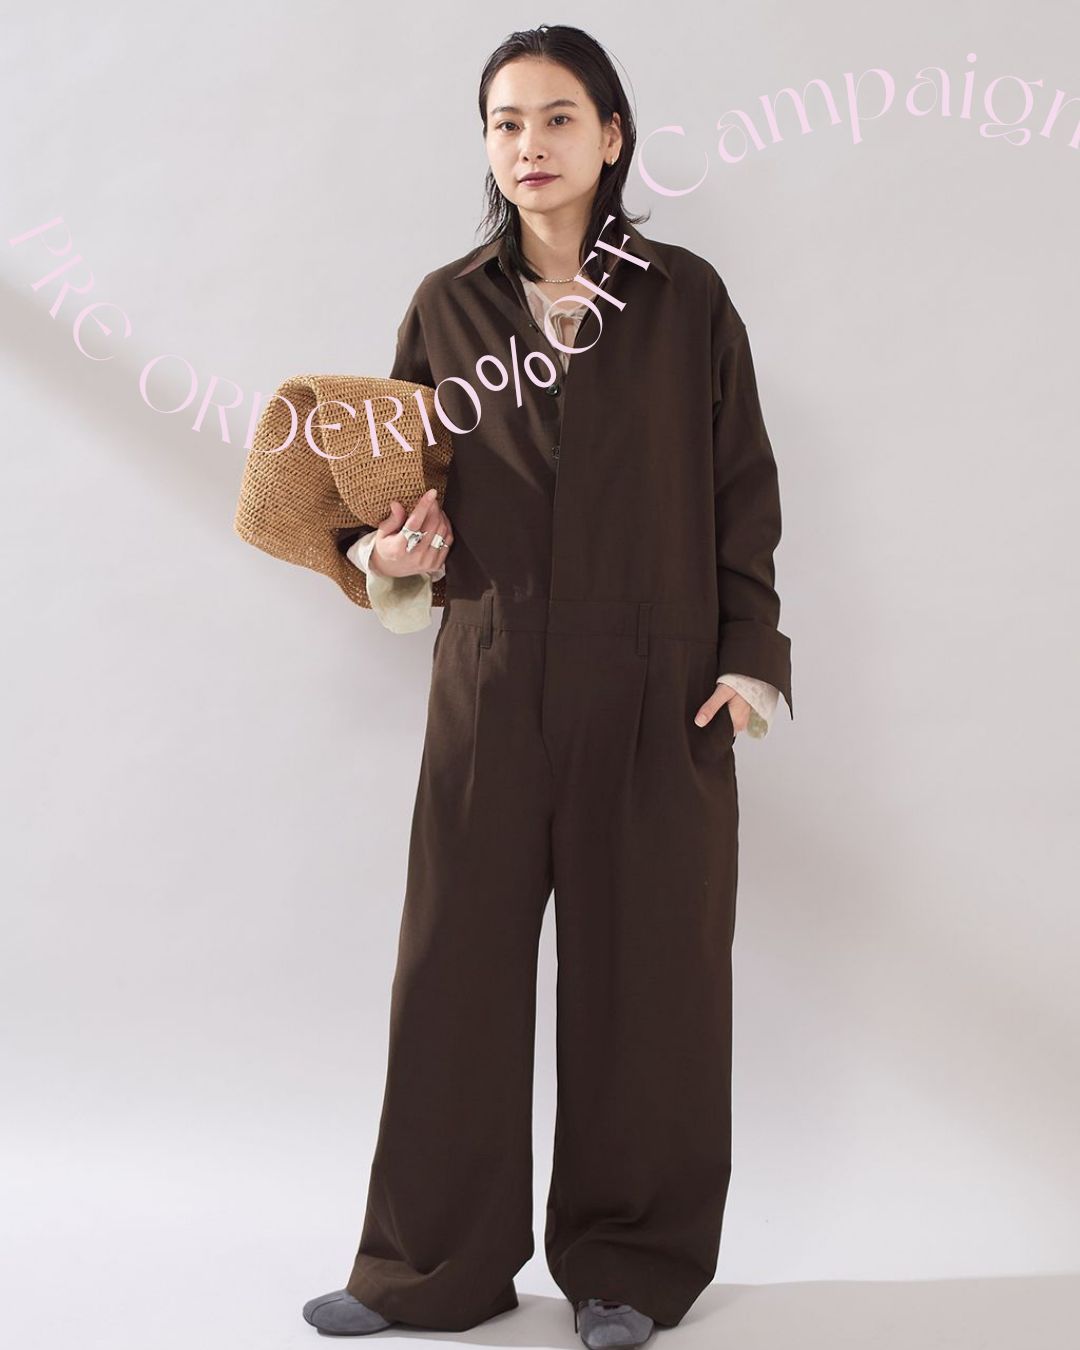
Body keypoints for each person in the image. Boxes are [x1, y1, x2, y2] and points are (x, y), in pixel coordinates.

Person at [302, 24, 792, 1350]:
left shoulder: (685, 300)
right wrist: (390, 554)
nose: (531, 144)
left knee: (650, 978)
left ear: (612, 137)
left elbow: (742, 484)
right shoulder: (446, 306)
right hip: (494, 671)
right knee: (451, 968)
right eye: (506, 122)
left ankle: (629, 1268)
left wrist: (749, 658)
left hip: (660, 685)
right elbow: (398, 499)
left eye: (559, 117)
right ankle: (427, 1265)